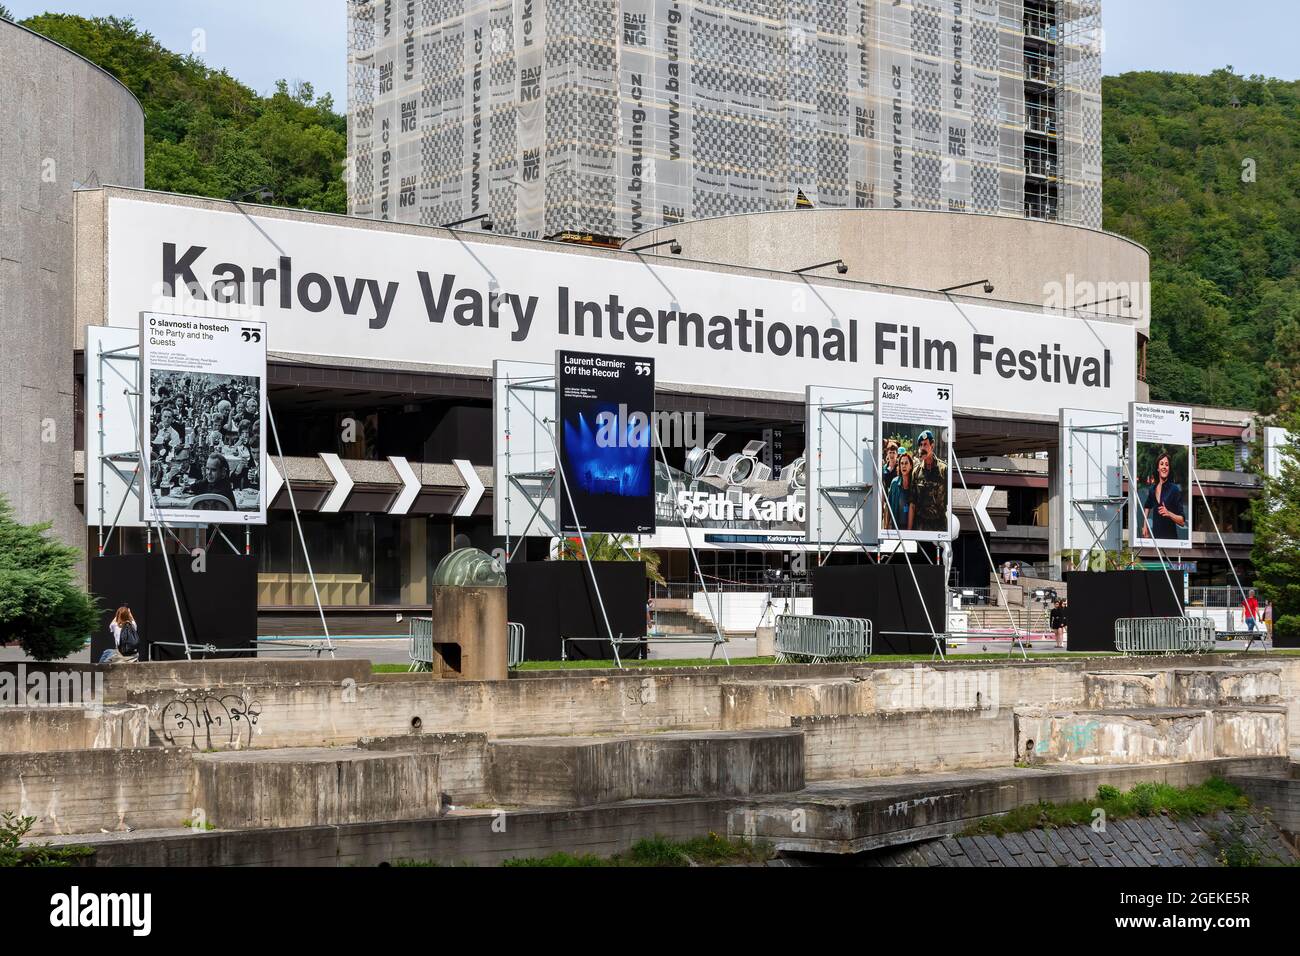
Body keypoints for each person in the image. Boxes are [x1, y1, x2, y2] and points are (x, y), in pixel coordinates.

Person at [1141, 451, 1187, 541]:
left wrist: (1168, 513)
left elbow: (1182, 521)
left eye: (1167, 464)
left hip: (1170, 540)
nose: (1164, 467)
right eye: (1162, 464)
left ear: (1169, 468)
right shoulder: (1152, 489)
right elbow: (1147, 506)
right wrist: (1145, 525)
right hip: (1156, 539)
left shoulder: (1174, 489)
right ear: (1158, 468)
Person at [910, 429, 948, 532]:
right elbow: (912, 503)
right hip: (921, 527)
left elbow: (949, 501)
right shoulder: (916, 472)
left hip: (939, 527)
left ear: (932, 445)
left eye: (925, 444)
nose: (922, 448)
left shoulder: (944, 469)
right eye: (921, 445)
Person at [886, 451, 915, 532]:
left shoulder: (914, 484)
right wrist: (886, 528)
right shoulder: (894, 483)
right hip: (896, 527)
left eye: (906, 463)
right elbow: (888, 506)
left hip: (911, 529)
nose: (903, 466)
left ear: (911, 466)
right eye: (901, 463)